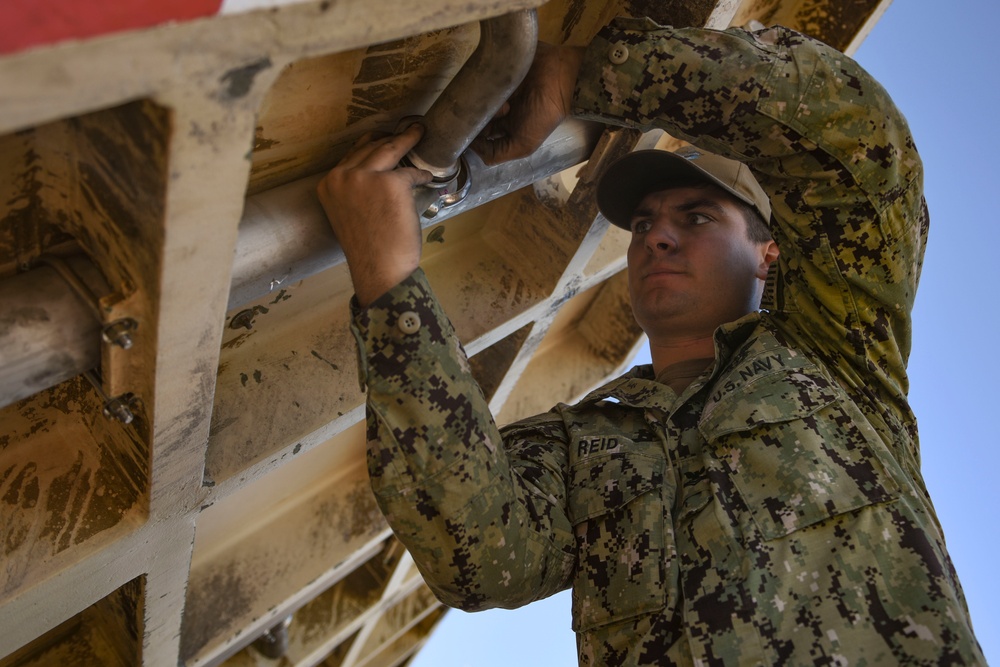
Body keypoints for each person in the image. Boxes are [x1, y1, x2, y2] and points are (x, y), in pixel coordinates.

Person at [317, 17, 985, 666]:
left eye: (696, 217)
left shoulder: (839, 359)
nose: (656, 237)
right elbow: (482, 556)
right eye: (643, 224)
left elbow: (858, 141)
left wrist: (582, 74)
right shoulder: (581, 446)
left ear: (768, 255)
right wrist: (391, 280)